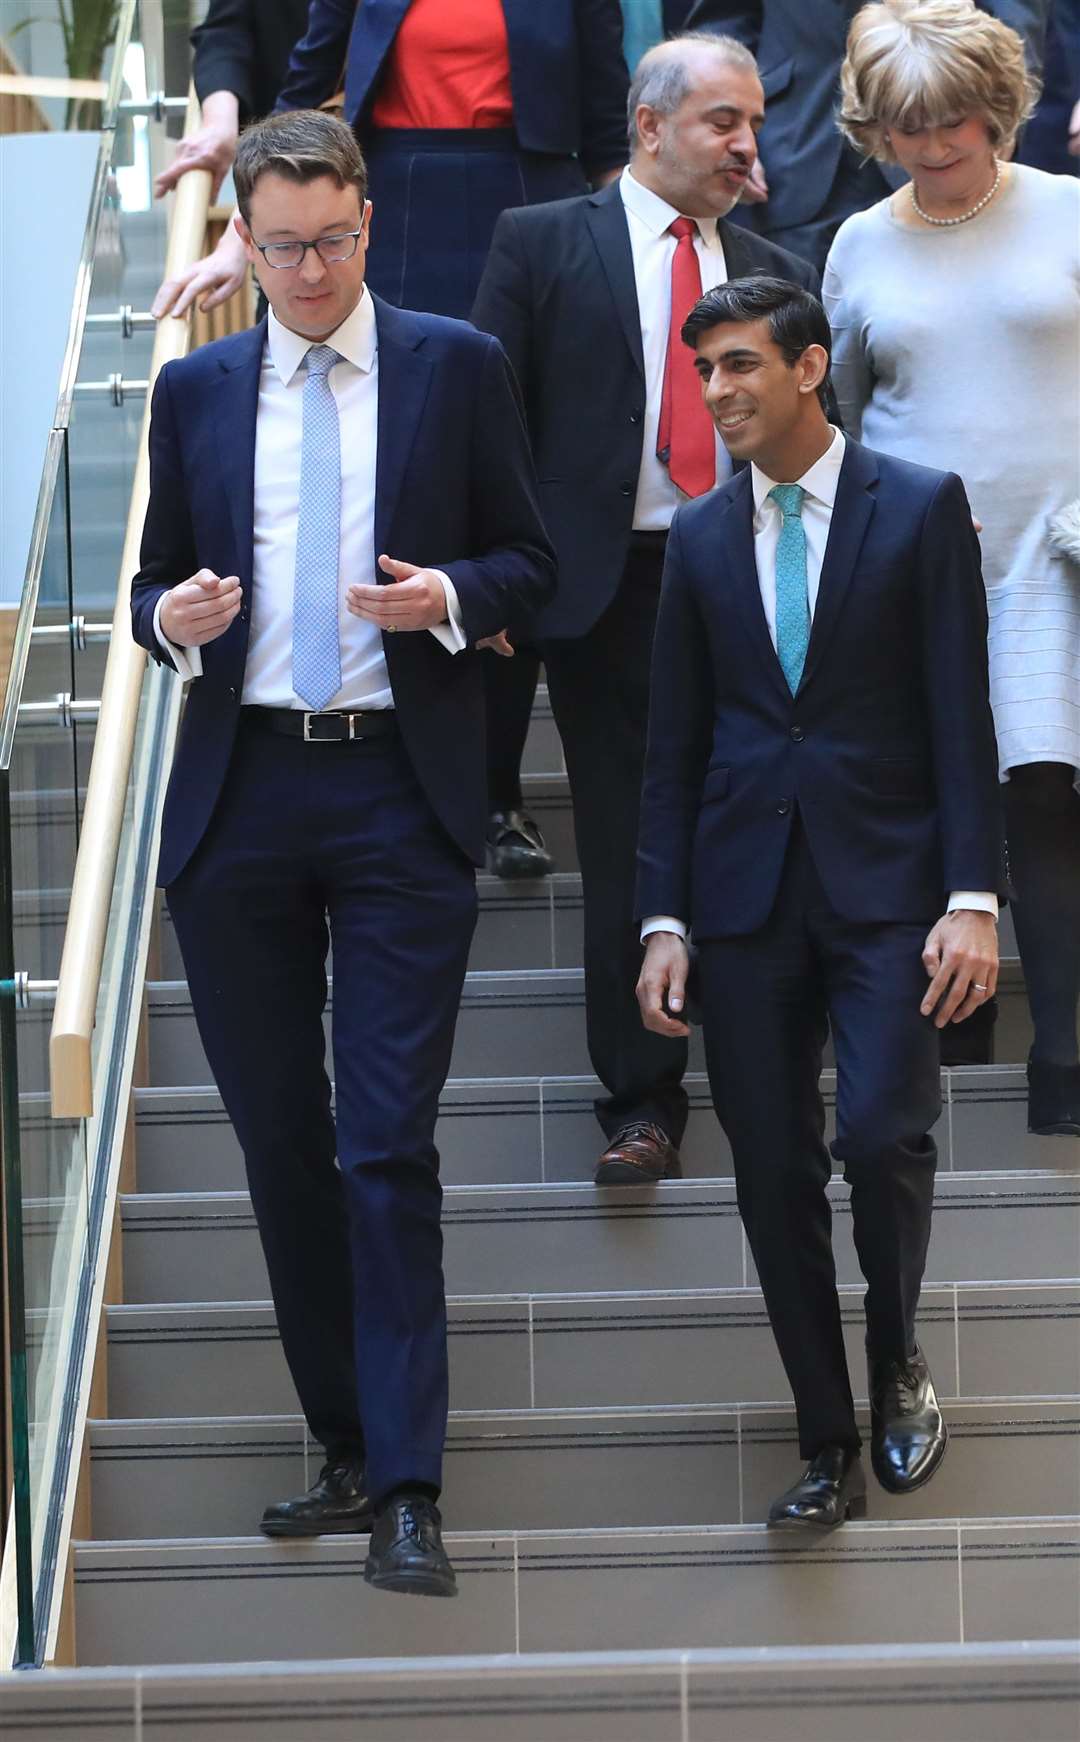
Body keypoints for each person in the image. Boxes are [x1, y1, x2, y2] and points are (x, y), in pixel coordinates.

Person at [130, 110, 555, 1597]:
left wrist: (449, 592)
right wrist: (160, 619)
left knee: (384, 1139)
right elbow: (149, 581)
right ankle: (343, 1441)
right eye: (279, 244)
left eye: (332, 240)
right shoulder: (193, 391)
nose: (308, 270)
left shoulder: (455, 363)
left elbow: (535, 562)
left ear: (369, 223)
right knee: (280, 1147)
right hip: (240, 796)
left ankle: (412, 1484)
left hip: (396, 796)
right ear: (242, 238)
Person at [636, 277, 1002, 1526]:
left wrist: (973, 894)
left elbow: (963, 712)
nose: (720, 392)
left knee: (884, 1127)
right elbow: (671, 748)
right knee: (771, 1170)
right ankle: (823, 1434)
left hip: (893, 886)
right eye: (704, 374)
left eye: (740, 365)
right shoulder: (693, 536)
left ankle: (897, 1354)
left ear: (808, 368)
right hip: (741, 899)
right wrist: (662, 916)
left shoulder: (919, 508)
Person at [472, 34, 819, 1186]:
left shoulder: (769, 267)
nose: (747, 145)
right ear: (649, 124)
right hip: (600, 589)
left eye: (756, 124)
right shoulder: (539, 241)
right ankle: (641, 1104)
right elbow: (490, 417)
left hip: (742, 579)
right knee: (627, 834)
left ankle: (774, 1071)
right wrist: (498, 575)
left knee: (765, 822)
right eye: (725, 121)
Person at [274, 0, 631, 881]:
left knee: (513, 497)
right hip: (399, 207)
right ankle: (429, 779)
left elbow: (603, 117)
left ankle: (500, 793)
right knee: (416, 487)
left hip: (534, 196)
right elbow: (306, 84)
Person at [824, 0, 1080, 1134]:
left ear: (1000, 110)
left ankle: (1066, 1069)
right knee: (938, 805)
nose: (933, 147)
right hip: (925, 563)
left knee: (1046, 790)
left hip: (1062, 551)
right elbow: (844, 415)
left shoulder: (1071, 213)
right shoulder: (859, 241)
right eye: (904, 127)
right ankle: (947, 1063)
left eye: (955, 122)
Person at [684, 0, 1051, 272]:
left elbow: (1014, 12)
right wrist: (732, 128)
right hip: (794, 144)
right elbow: (724, 18)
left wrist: (1002, 121)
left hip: (940, 129)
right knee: (797, 345)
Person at [152, 0, 312, 319]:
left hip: (380, 166)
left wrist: (238, 239)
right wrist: (218, 122)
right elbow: (225, 30)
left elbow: (321, 86)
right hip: (280, 182)